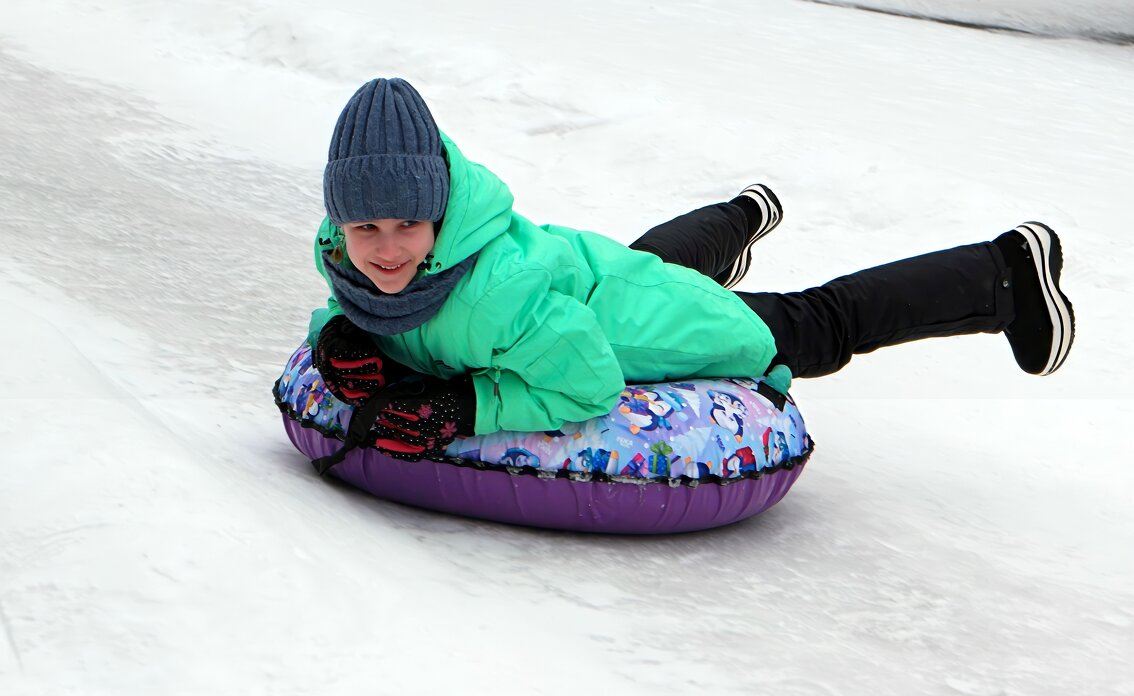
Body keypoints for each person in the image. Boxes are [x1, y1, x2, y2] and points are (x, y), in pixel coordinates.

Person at [308, 78, 1075, 459]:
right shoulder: (350, 255)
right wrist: (335, 333)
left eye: (407, 224)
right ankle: (743, 214)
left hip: (637, 322)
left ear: (442, 216)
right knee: (648, 261)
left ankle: (1005, 272)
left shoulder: (494, 295)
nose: (385, 249)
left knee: (807, 324)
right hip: (589, 276)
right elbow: (376, 308)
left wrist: (464, 408)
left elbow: (587, 382)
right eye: (365, 226)